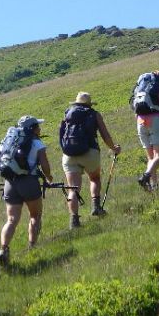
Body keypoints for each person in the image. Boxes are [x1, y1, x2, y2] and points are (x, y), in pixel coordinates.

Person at [59, 92, 121, 229]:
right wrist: (113, 148)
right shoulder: (94, 114)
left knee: (73, 189)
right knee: (94, 178)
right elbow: (105, 136)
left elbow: (62, 134)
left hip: (68, 154)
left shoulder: (67, 113)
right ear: (89, 104)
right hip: (90, 152)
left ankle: (74, 221)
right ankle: (96, 207)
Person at [0, 115, 53, 266]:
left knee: (11, 219)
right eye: (37, 126)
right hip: (28, 181)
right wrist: (49, 177)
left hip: (10, 182)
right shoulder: (37, 143)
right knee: (35, 215)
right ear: (33, 129)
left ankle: (4, 248)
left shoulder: (12, 140)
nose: (40, 129)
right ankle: (32, 246)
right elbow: (44, 164)